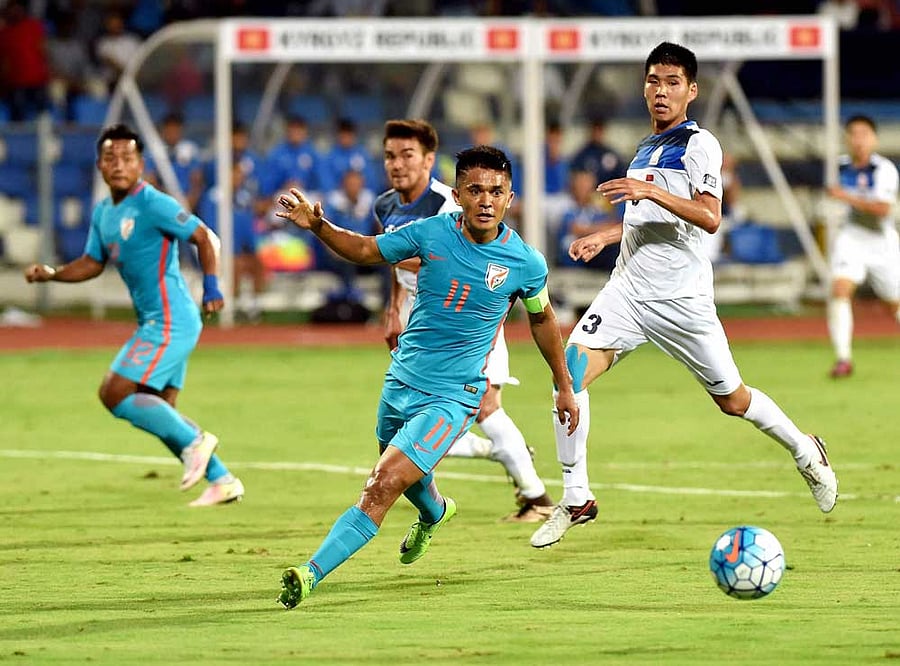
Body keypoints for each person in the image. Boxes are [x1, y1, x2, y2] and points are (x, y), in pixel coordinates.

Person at [529, 42, 839, 550]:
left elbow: (709, 216)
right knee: (568, 373)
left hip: (682, 302)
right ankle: (576, 495)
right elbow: (643, 218)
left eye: (672, 81)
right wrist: (605, 236)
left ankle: (806, 450)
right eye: (653, 80)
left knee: (733, 401)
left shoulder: (700, 145)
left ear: (691, 91)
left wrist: (650, 192)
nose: (661, 90)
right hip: (627, 292)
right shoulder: (643, 149)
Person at [275, 145, 579, 608]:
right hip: (400, 382)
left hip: (452, 397)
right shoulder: (430, 233)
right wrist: (318, 225)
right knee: (407, 478)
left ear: (510, 198)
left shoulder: (525, 262)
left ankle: (309, 572)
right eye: (475, 190)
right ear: (457, 194)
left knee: (382, 483)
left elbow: (541, 321)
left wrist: (563, 385)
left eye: (496, 191)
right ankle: (436, 512)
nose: (485, 200)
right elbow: (365, 249)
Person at [23, 123, 244, 507]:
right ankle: (222, 480)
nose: (119, 165)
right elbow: (93, 262)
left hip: (171, 318)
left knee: (114, 392)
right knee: (157, 407)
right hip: (156, 321)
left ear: (140, 163)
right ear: (99, 165)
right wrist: (54, 274)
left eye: (128, 157)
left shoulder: (152, 202)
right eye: (111, 158)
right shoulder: (105, 212)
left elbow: (206, 237)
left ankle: (197, 441)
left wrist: (212, 286)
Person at [376, 119, 556, 522]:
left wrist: (386, 252)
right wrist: (394, 308)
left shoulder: (450, 203)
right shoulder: (386, 205)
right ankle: (519, 477)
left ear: (428, 161)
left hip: (469, 324)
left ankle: (534, 493)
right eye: (390, 156)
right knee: (421, 416)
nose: (397, 165)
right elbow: (396, 261)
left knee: (485, 408)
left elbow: (437, 257)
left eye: (407, 156)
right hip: (424, 319)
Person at [824, 114, 900, 378]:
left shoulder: (885, 170)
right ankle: (843, 358)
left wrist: (844, 196)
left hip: (882, 242)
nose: (858, 140)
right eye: (853, 134)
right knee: (840, 289)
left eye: (864, 134)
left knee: (895, 305)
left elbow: (882, 209)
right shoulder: (839, 166)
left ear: (874, 139)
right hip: (852, 237)